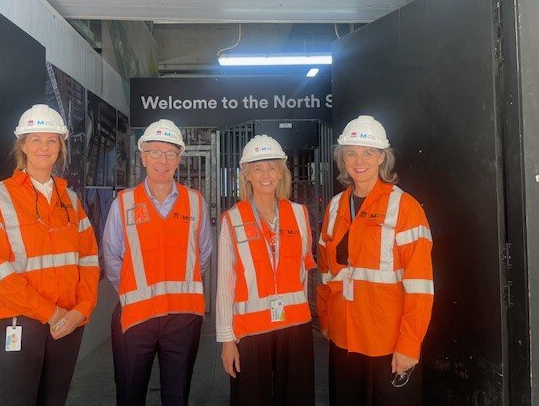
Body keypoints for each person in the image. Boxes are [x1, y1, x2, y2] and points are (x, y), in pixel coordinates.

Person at [0, 104, 100, 405]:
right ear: (22, 145)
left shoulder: (70, 198)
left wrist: (81, 310)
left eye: (52, 140)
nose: (45, 147)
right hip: (22, 320)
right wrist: (51, 312)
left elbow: (89, 259)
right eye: (36, 139)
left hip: (68, 323)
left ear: (61, 146)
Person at [317, 115, 434, 406]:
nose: (359, 160)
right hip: (344, 339)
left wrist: (409, 344)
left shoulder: (404, 207)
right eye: (351, 152)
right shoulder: (334, 207)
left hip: (388, 343)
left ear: (382, 157)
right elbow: (326, 272)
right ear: (342, 158)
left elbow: (420, 285)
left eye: (368, 152)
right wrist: (326, 320)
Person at [102, 118, 213, 406]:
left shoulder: (195, 202)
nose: (162, 160)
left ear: (179, 158)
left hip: (183, 318)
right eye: (155, 152)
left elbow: (203, 254)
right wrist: (133, 290)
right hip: (136, 316)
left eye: (170, 153)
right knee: (129, 394)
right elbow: (112, 258)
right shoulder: (123, 203)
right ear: (143, 156)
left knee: (177, 396)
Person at [216, 134, 316, 406]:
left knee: (296, 398)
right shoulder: (232, 219)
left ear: (282, 173)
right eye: (257, 168)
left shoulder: (299, 214)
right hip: (250, 331)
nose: (266, 175)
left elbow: (303, 273)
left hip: (294, 327)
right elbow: (225, 284)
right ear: (246, 175)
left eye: (272, 167)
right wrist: (227, 340)